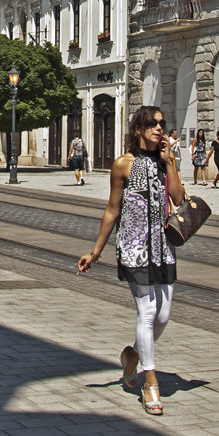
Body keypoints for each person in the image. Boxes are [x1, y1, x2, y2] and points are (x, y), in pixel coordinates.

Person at [76, 105, 184, 417]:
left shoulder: (166, 162)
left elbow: (178, 199)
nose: (159, 129)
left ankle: (133, 356)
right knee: (148, 312)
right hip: (134, 246)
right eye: (152, 124)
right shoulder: (123, 164)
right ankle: (150, 383)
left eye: (162, 124)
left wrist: (171, 164)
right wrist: (95, 252)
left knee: (163, 317)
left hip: (163, 247)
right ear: (138, 129)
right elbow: (112, 209)